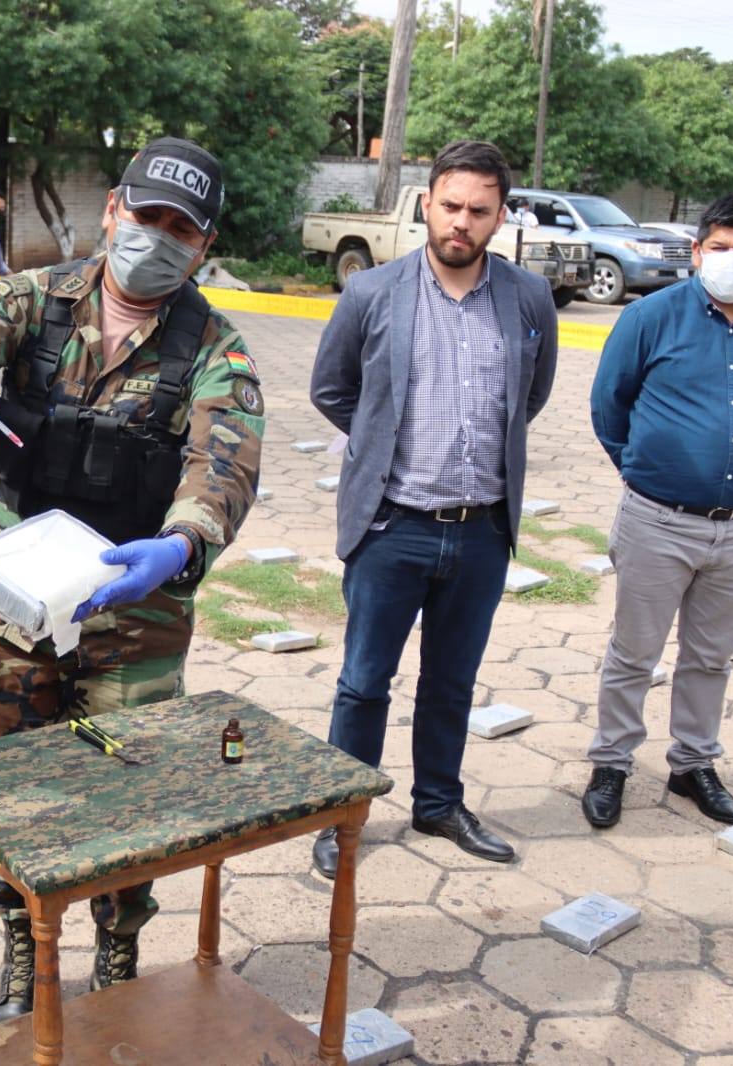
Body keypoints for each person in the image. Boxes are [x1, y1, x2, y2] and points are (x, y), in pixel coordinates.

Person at [0, 136, 263, 1024]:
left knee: (130, 792)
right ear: (114, 209)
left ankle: (119, 943)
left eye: (180, 229)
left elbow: (224, 465)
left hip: (131, 611)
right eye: (146, 217)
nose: (158, 238)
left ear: (204, 243)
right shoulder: (38, 301)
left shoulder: (214, 347)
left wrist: (181, 545)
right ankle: (24, 946)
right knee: (4, 783)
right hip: (17, 602)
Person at [309, 140, 558, 874]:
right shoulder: (372, 293)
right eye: (451, 206)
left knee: (451, 682)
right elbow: (331, 389)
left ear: (499, 217)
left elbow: (531, 396)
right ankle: (340, 815)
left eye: (479, 211)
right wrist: (381, 441)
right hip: (392, 527)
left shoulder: (528, 297)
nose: (462, 223)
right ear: (427, 204)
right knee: (363, 682)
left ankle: (439, 803)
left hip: (479, 532)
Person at [581, 192, 733, 829]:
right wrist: (650, 470)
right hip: (657, 520)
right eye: (720, 248)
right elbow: (609, 408)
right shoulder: (650, 318)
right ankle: (611, 762)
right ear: (697, 251)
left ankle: (692, 764)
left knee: (711, 657)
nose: (732, 259)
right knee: (634, 653)